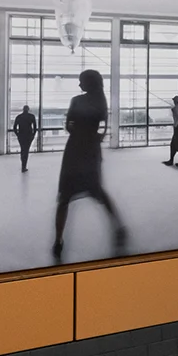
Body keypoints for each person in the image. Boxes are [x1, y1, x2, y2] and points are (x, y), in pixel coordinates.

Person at [54, 70, 127, 257]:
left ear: (88, 83)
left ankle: (58, 240)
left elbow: (68, 124)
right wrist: (93, 138)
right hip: (90, 151)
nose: (79, 85)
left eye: (81, 81)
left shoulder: (76, 101)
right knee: (97, 191)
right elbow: (102, 129)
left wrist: (78, 133)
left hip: (74, 150)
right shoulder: (101, 102)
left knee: (64, 197)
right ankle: (118, 227)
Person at [12, 105, 37, 172]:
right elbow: (35, 128)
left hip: (21, 136)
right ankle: (24, 166)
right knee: (26, 150)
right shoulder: (32, 116)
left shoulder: (19, 117)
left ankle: (23, 164)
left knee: (23, 149)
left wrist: (18, 135)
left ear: (23, 109)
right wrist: (33, 135)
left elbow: (14, 128)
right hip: (28, 136)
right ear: (28, 109)